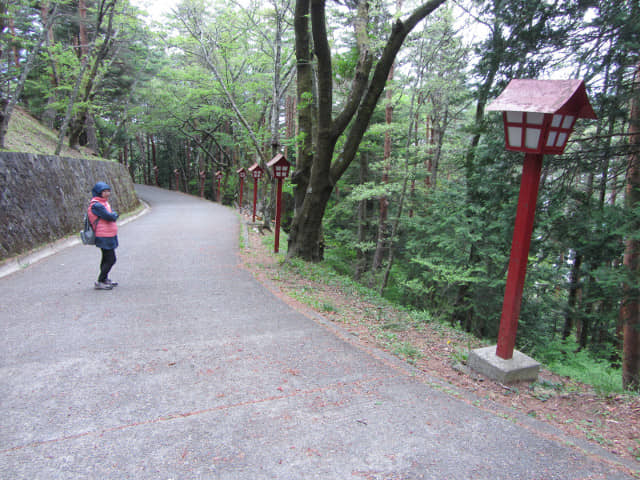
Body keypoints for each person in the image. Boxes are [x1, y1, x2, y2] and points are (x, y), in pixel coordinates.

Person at [88, 182, 119, 290]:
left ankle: (104, 279)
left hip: (109, 234)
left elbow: (112, 214)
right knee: (111, 259)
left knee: (106, 258)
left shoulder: (104, 203)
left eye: (108, 191)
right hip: (103, 235)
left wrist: (113, 215)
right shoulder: (97, 205)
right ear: (98, 192)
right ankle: (100, 280)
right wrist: (113, 215)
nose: (107, 193)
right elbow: (110, 216)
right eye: (104, 191)